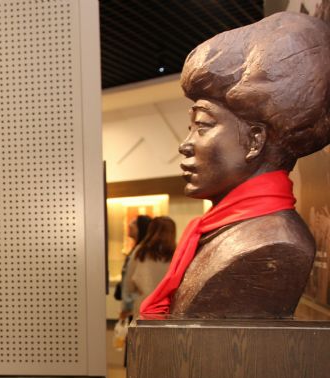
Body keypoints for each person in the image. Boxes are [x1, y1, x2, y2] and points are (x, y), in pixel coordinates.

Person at [141, 11, 330, 318]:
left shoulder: (276, 244)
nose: (185, 145)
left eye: (202, 126)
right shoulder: (219, 231)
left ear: (255, 140)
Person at [124, 217, 176, 318]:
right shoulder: (177, 254)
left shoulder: (140, 252)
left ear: (151, 230)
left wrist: (126, 306)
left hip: (144, 307)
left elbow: (129, 284)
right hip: (168, 308)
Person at [116, 215, 151, 320]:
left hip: (136, 306)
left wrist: (128, 305)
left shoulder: (143, 252)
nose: (130, 225)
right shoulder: (138, 249)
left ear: (142, 227)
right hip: (133, 304)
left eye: (134, 223)